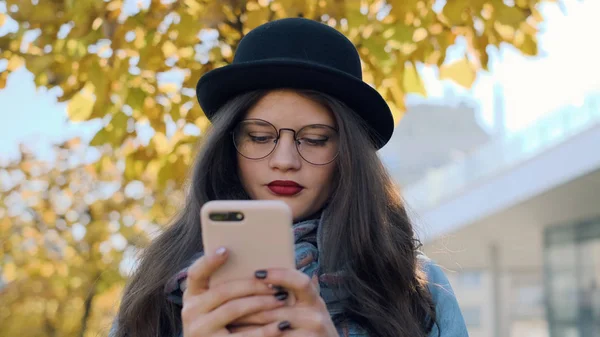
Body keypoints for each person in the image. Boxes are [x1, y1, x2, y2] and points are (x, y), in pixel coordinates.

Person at [110, 17, 468, 337]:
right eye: (260, 136)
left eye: (314, 139)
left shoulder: (417, 288)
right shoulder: (155, 285)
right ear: (229, 146)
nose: (284, 160)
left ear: (349, 155)